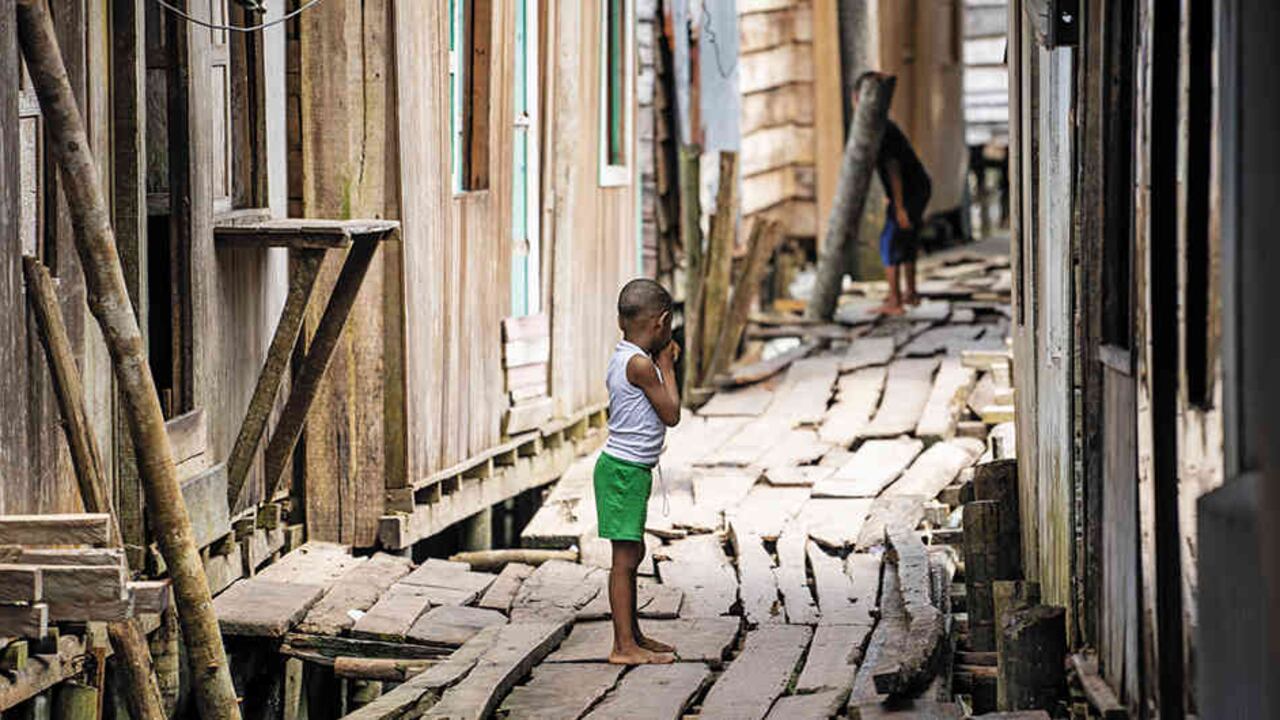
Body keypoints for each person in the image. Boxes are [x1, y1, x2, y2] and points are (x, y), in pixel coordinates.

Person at [595, 278, 681, 665]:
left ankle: (633, 634)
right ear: (661, 323)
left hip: (627, 471)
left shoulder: (624, 355)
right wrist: (667, 365)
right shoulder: (642, 365)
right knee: (625, 559)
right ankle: (622, 646)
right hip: (623, 473)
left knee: (633, 551)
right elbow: (672, 413)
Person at [854, 71, 933, 315]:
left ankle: (895, 301)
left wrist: (898, 206)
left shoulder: (881, 129)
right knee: (906, 238)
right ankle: (909, 292)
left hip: (909, 190)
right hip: (918, 186)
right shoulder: (884, 125)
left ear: (859, 98)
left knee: (889, 242)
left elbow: (893, 168)